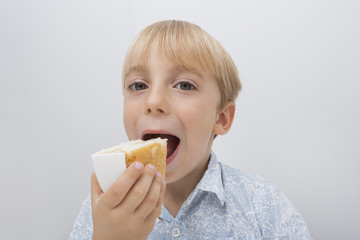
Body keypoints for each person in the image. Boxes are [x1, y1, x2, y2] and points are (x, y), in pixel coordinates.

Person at [69, 20, 311, 239]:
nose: (153, 102)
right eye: (139, 85)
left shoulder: (265, 206)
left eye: (184, 85)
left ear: (222, 118)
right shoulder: (102, 211)